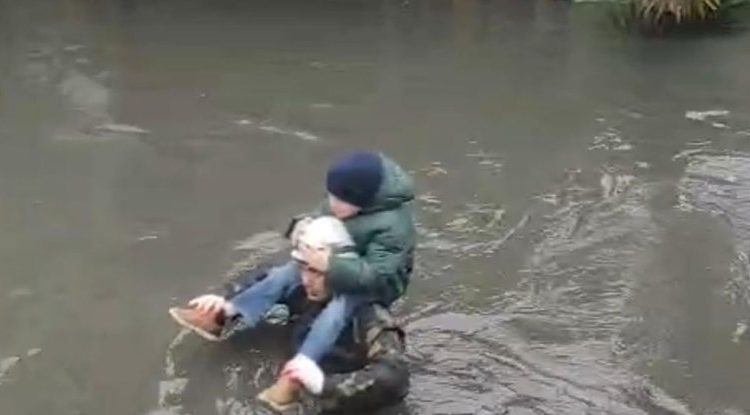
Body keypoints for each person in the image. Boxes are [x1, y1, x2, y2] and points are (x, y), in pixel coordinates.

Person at [170, 150, 415, 407]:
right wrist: (223, 299)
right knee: (282, 274)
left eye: (315, 271)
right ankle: (224, 317)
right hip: (341, 273)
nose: (305, 279)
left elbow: (394, 380)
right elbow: (268, 277)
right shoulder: (304, 282)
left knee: (335, 308)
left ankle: (301, 370)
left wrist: (322, 386)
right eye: (304, 267)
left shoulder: (370, 318)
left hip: (334, 383)